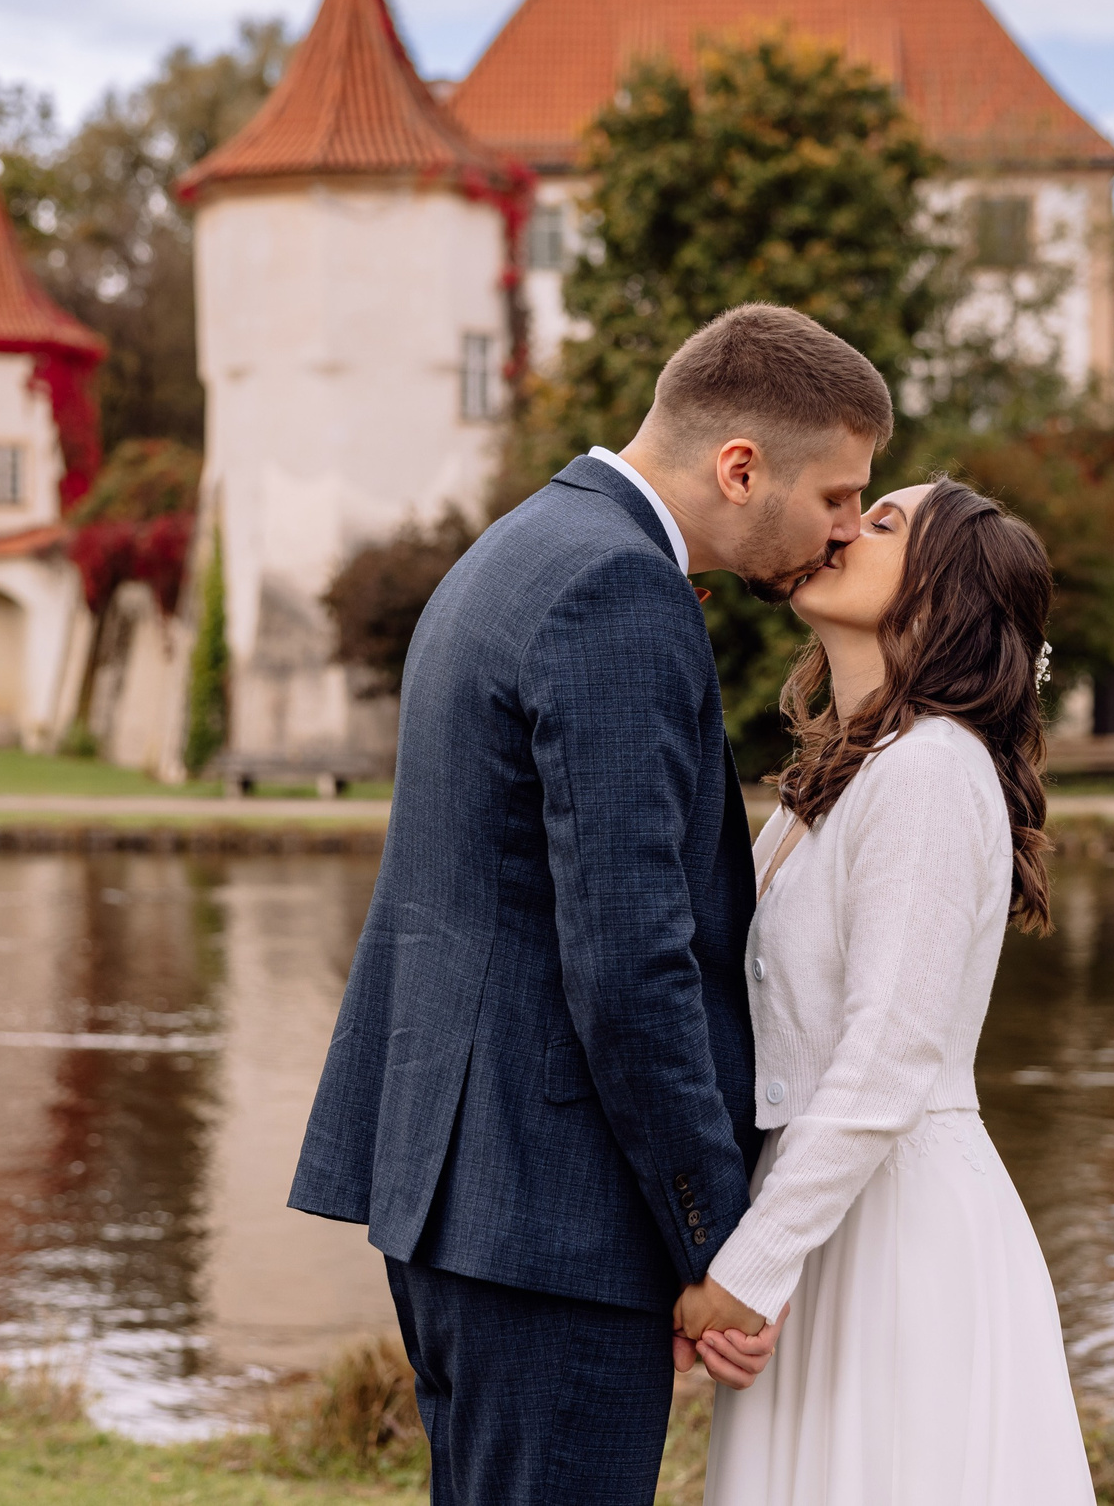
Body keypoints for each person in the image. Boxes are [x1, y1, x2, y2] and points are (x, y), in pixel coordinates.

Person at [288, 303, 893, 1505]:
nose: (842, 530)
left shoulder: (525, 546)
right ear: (739, 466)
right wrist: (715, 1238)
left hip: (469, 1200)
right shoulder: (616, 593)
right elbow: (628, 964)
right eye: (836, 495)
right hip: (552, 1220)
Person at [686, 477, 1099, 1505]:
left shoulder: (928, 769)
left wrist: (748, 1269)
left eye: (882, 522)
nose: (841, 526)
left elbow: (886, 1059)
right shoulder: (828, 779)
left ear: (942, 594)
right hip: (822, 1217)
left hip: (897, 1236)